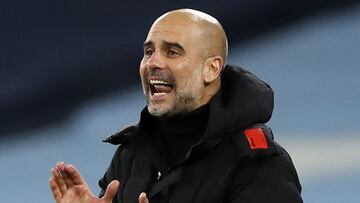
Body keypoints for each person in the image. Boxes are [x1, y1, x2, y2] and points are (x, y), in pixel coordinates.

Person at [49, 8, 303, 203]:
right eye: (149, 52)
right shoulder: (132, 155)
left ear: (211, 69)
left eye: (172, 52)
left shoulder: (257, 162)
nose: (153, 63)